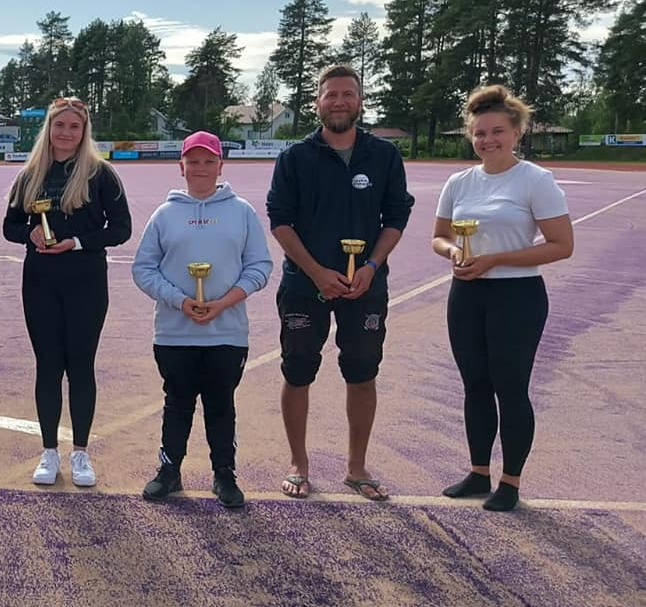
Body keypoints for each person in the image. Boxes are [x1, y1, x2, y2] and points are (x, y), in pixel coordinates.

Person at [265, 64, 414, 501]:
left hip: (365, 287)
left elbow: (396, 216)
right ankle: (299, 463)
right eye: (331, 94)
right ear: (318, 102)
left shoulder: (383, 155)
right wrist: (316, 272)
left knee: (363, 373)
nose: (339, 102)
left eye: (348, 94)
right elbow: (280, 221)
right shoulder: (295, 158)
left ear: (360, 101)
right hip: (304, 285)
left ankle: (356, 467)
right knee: (297, 372)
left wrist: (371, 266)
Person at [432, 85, 572, 511]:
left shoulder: (535, 180)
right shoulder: (459, 182)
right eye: (479, 133)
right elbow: (439, 237)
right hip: (467, 293)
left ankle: (510, 481)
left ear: (516, 132)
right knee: (475, 385)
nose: (487, 140)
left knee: (510, 387)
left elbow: (561, 245)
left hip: (517, 295)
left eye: (497, 132)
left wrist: (496, 259)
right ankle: (479, 472)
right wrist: (454, 252)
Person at [133, 131, 271, 508]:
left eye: (209, 161)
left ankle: (224, 474)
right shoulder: (165, 215)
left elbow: (260, 266)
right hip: (174, 332)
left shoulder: (241, 211)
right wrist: (179, 301)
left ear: (220, 166)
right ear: (181, 167)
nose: (201, 168)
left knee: (220, 404)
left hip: (227, 332)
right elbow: (143, 269)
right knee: (177, 403)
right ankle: (169, 471)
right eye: (193, 161)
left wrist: (224, 302)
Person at [2, 97, 131, 487]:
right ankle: (49, 452)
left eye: (74, 126)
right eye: (60, 125)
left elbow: (121, 229)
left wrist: (76, 242)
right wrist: (30, 233)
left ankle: (80, 453)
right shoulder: (30, 175)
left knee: (81, 366)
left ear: (84, 131)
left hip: (85, 281)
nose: (66, 133)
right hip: (40, 281)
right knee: (47, 366)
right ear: (49, 129)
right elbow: (10, 226)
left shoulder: (101, 174)